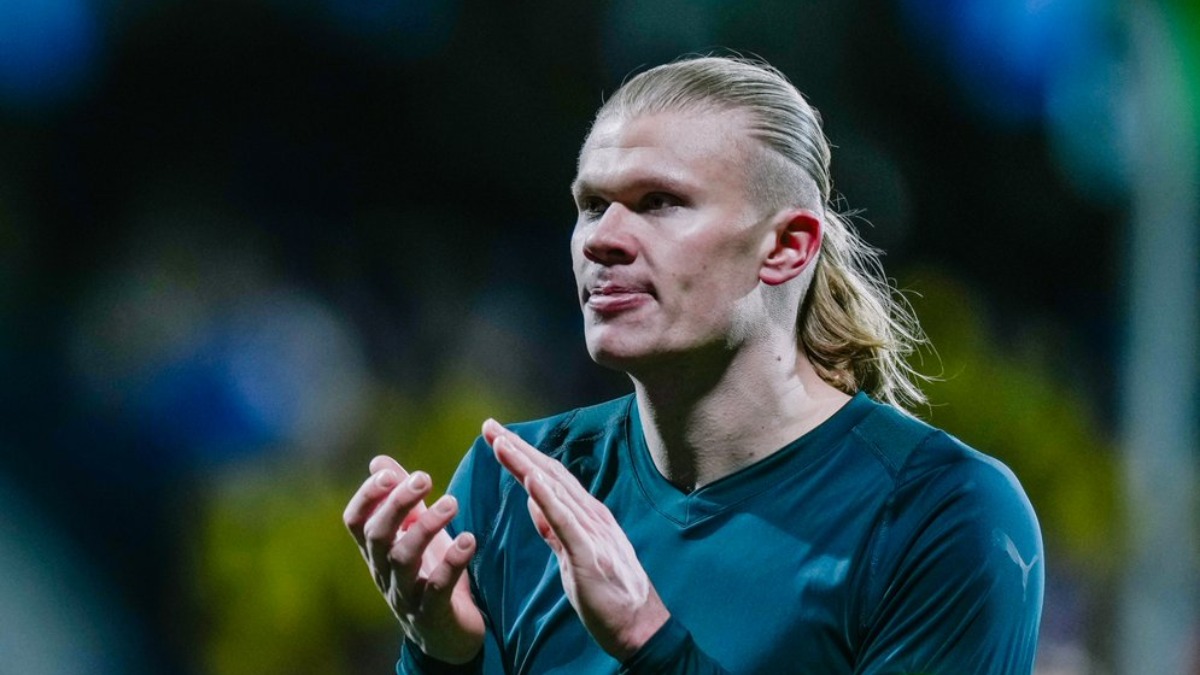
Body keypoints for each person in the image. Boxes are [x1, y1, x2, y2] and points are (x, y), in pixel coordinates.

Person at [344, 55, 1043, 674]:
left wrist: (648, 640)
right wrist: (443, 654)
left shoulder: (941, 513)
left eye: (660, 203)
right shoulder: (513, 488)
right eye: (592, 205)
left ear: (787, 247)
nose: (603, 239)